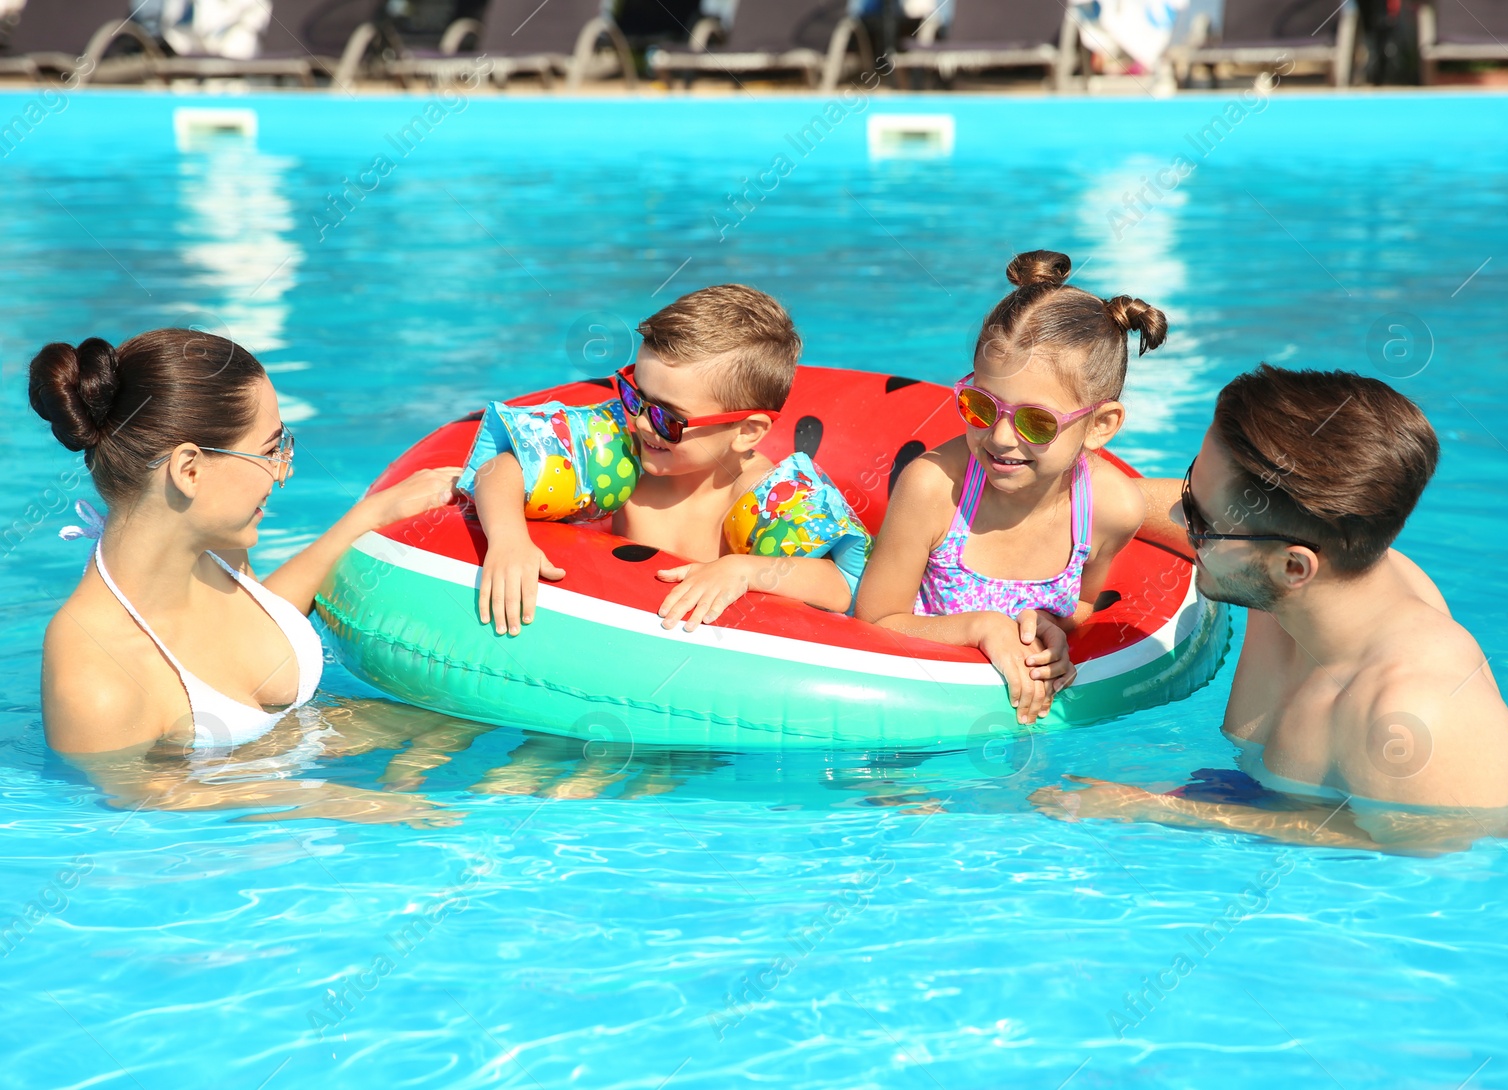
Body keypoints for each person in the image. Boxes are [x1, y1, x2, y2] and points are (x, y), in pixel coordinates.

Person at [1031, 365, 1508, 849]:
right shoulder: (1303, 570)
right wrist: (1039, 509)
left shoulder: (1420, 716)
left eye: (1199, 520)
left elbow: (1433, 857)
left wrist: (1153, 809)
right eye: (1189, 489)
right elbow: (1124, 504)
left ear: (1294, 568)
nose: (1174, 516)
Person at [30, 329, 462, 826]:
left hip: (325, 763)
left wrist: (369, 516)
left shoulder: (218, 543)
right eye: (272, 451)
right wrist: (327, 802)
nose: (284, 473)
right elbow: (133, 804)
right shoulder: (94, 671)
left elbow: (260, 613)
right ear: (189, 470)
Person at [854, 250, 1165, 725]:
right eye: (981, 405)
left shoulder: (1110, 509)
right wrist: (981, 628)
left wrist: (1054, 628)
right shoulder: (935, 487)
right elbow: (874, 623)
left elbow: (1083, 603)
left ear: (1101, 425)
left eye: (1036, 421)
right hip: (909, 709)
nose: (999, 436)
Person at [465, 284, 870, 634]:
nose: (642, 423)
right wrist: (508, 539)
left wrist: (745, 570)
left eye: (668, 418)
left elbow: (839, 585)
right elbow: (498, 470)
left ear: (748, 431)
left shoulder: (767, 494)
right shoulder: (622, 454)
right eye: (633, 395)